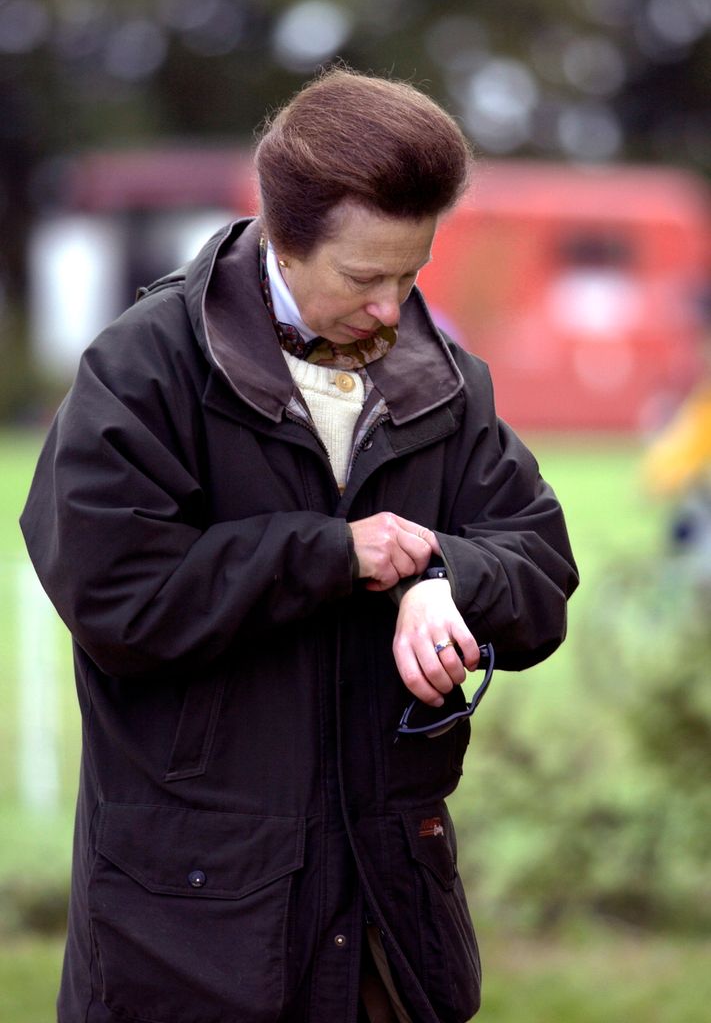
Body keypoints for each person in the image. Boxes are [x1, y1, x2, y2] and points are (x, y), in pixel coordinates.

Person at [21, 68, 578, 1023]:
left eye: (413, 274)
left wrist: (440, 574)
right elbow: (119, 601)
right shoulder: (141, 367)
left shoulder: (447, 382)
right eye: (366, 277)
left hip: (389, 916)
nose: (394, 310)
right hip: (187, 930)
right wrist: (333, 555)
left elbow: (538, 569)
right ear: (283, 240)